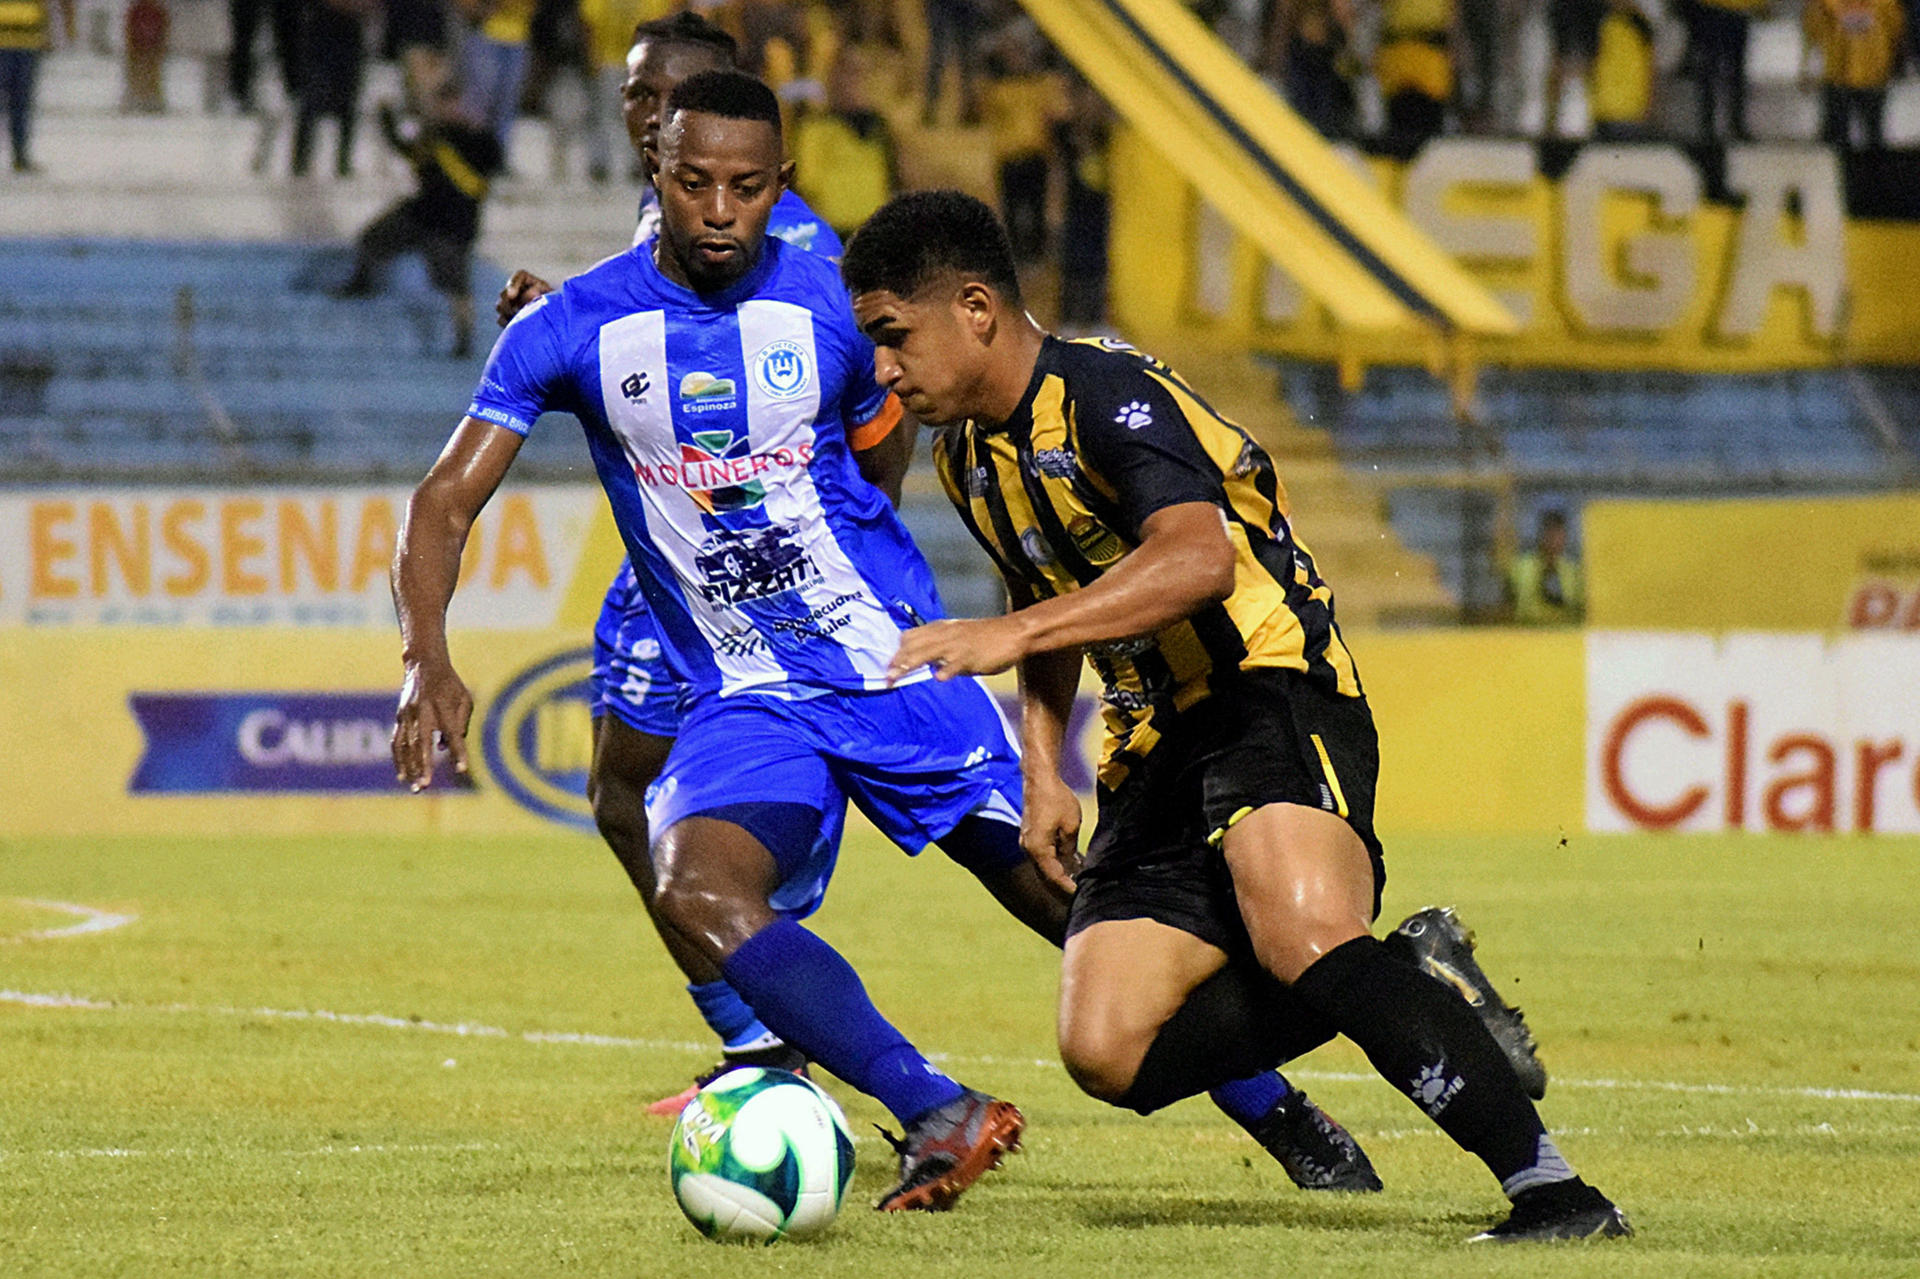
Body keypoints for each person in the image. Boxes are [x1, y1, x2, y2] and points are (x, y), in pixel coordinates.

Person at [487, 34, 1398, 1198]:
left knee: (1036, 875)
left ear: (766, 150)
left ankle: (1281, 1089)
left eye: (686, 103)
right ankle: (774, 1053)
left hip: (852, 626)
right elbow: (656, 340)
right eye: (648, 104)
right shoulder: (662, 233)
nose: (665, 125)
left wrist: (834, 527)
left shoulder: (806, 252)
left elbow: (880, 411)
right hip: (714, 620)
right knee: (633, 798)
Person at [844, 190, 1628, 1243]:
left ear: (975, 309)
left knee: (1302, 930)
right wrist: (1042, 768)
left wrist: (1012, 640)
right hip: (1150, 741)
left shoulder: (1108, 397)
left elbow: (1197, 557)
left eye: (894, 338)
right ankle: (1409, 970)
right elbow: (1044, 605)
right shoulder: (969, 460)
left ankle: (1556, 1193)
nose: (884, 371)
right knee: (1107, 1048)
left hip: (1270, 689)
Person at [332, 83, 504, 355]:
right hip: (422, 213)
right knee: (373, 237)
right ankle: (361, 282)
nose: (449, 110)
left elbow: (491, 167)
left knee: (456, 284)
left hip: (454, 222)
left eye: (453, 103)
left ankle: (464, 340)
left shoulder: (478, 138)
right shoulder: (434, 135)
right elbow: (406, 149)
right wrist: (387, 118)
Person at [1802, 0, 1906, 150]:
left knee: (1859, 136)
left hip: (1852, 73)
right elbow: (1896, 30)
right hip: (1855, 72)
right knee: (1864, 136)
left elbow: (1895, 28)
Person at [291, 0, 374, 177]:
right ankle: (300, 160)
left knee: (348, 97)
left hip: (349, 29)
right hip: (321, 27)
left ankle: (343, 160)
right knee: (313, 95)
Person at [1, 0, 70, 172]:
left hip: (28, 43)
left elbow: (44, 5)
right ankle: (20, 156)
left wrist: (48, 34)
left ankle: (21, 156)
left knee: (21, 103)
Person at [1590, 0, 1656, 140]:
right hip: (1607, 107)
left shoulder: (1637, 26)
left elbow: (1650, 69)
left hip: (1628, 110)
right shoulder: (1608, 23)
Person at [1506, 508, 1584, 625]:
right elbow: (1506, 602)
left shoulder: (1574, 571)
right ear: (1540, 535)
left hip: (1565, 637)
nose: (1554, 539)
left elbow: (1583, 608)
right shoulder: (1521, 566)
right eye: (1549, 533)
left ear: (1565, 537)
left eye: (1559, 534)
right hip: (1529, 635)